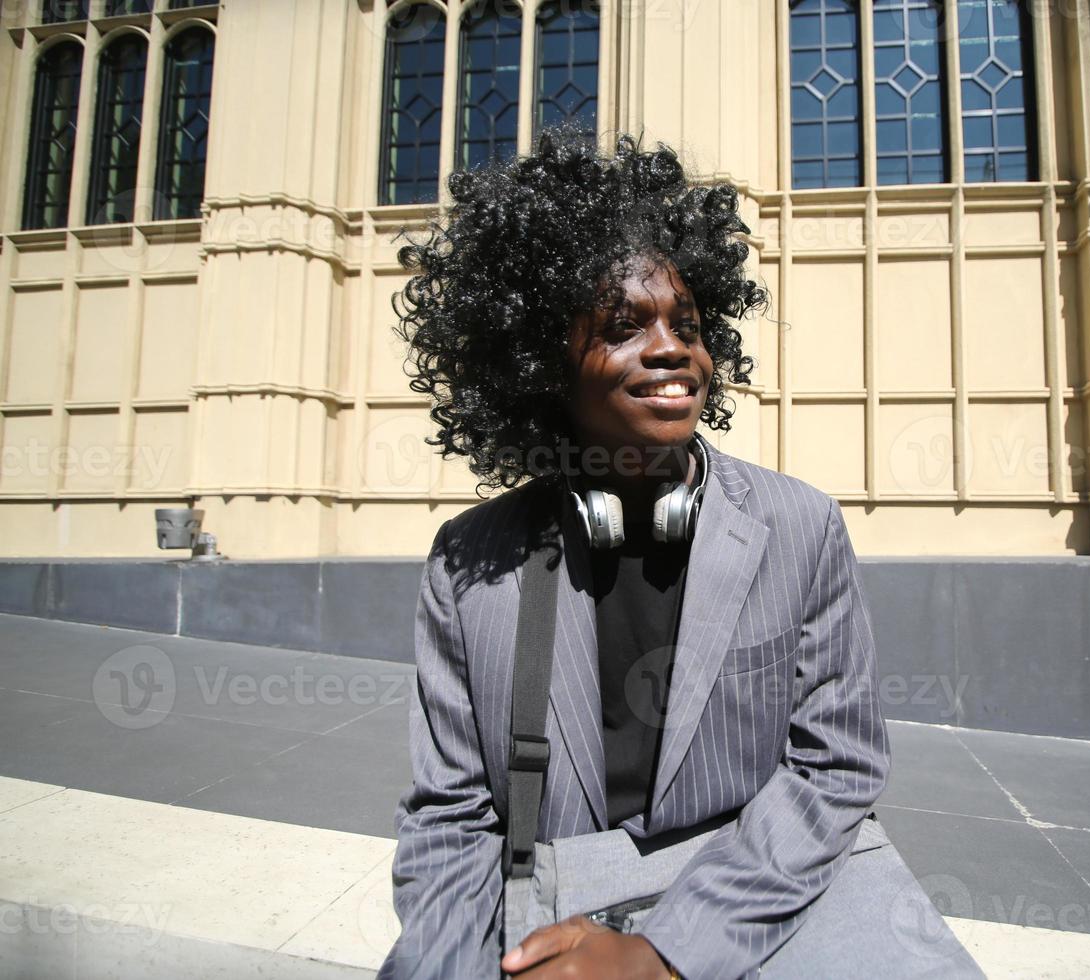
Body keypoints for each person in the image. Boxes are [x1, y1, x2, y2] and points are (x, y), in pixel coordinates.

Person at [378, 124, 983, 979]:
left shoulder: (801, 526)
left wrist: (665, 954)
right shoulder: (469, 563)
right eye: (623, 326)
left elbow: (837, 766)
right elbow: (450, 818)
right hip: (555, 891)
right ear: (541, 361)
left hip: (766, 878)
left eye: (687, 324)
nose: (671, 348)